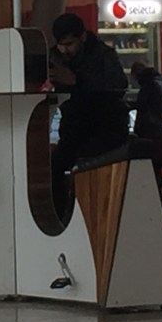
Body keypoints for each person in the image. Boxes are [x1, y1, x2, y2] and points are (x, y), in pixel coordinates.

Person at [48, 13, 129, 217]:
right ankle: (62, 218)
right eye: (61, 45)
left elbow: (118, 87)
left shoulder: (104, 56)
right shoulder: (56, 57)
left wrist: (76, 80)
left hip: (105, 129)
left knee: (74, 166)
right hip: (74, 128)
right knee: (55, 167)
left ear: (82, 37)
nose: (65, 50)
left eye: (69, 44)